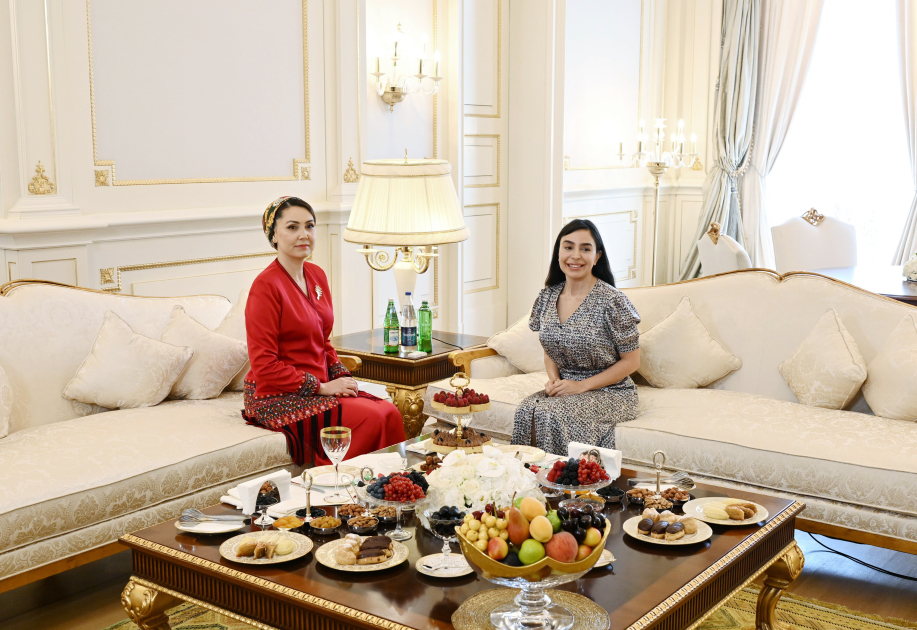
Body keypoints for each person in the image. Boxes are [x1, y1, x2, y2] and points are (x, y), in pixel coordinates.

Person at [242, 196, 406, 465]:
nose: (304, 234)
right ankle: (347, 485)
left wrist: (341, 376)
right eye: (292, 227)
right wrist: (322, 387)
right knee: (374, 417)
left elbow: (323, 340)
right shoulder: (265, 287)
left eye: (309, 226)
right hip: (277, 395)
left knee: (389, 411)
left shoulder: (316, 275)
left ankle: (390, 486)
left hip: (320, 384)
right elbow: (263, 365)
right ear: (273, 235)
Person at [510, 219, 641, 455]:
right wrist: (554, 380)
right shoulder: (547, 297)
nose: (575, 256)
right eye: (568, 247)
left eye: (585, 248)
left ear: (597, 256)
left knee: (551, 414)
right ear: (558, 253)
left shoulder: (613, 301)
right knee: (526, 410)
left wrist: (581, 386)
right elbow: (550, 348)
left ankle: (562, 476)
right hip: (566, 388)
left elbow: (632, 361)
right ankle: (529, 475)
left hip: (611, 393)